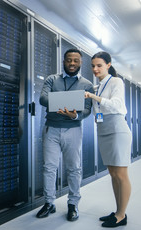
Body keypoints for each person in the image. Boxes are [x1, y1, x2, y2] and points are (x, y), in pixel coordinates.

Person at [37, 48, 94, 221]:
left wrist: (74, 114)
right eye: (69, 60)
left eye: (75, 60)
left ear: (80, 63)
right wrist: (68, 101)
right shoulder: (52, 79)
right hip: (51, 128)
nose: (72, 63)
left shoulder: (87, 85)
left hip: (73, 129)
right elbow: (42, 99)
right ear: (63, 61)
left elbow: (87, 109)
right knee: (49, 167)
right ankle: (49, 203)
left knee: (74, 169)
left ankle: (73, 204)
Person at [84, 51, 132, 228]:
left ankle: (121, 215)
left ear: (108, 65)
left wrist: (93, 97)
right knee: (112, 174)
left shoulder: (116, 82)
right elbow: (99, 111)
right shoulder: (98, 87)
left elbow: (117, 105)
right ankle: (118, 210)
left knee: (121, 174)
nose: (95, 69)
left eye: (99, 65)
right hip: (103, 129)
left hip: (117, 130)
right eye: (93, 66)